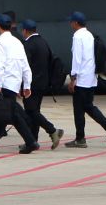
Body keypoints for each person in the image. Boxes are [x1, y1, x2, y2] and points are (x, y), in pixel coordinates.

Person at [0, 14, 39, 154]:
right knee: (2, 114)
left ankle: (30, 141)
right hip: (15, 83)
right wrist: (26, 85)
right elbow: (25, 65)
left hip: (5, 83)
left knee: (12, 115)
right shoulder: (18, 42)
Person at [65, 11, 106, 148]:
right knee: (87, 106)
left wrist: (73, 78)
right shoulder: (90, 35)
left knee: (79, 109)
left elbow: (77, 58)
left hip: (81, 78)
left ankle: (83, 137)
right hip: (91, 77)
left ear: (76, 23)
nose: (70, 24)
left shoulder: (77, 36)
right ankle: (104, 128)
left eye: (71, 21)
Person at [21, 19, 63, 150]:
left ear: (25, 31)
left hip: (32, 84)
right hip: (43, 83)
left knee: (31, 111)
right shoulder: (43, 42)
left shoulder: (28, 45)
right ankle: (33, 141)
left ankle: (52, 130)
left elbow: (25, 66)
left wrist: (23, 85)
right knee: (34, 111)